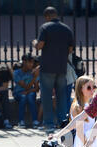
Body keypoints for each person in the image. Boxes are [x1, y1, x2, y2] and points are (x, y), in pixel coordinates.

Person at [33, 6, 75, 134]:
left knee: (46, 97)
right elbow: (70, 49)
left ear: (47, 16)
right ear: (56, 14)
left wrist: (34, 42)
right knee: (61, 96)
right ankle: (62, 123)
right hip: (61, 67)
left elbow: (40, 46)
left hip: (47, 68)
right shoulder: (66, 29)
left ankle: (49, 124)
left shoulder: (45, 28)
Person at [13, 53, 41, 129]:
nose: (32, 64)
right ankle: (21, 121)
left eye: (32, 62)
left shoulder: (33, 72)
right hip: (18, 93)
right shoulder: (16, 73)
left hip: (29, 93)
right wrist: (34, 77)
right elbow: (26, 87)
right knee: (23, 97)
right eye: (30, 62)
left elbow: (37, 88)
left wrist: (28, 91)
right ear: (24, 62)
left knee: (30, 96)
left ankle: (35, 121)